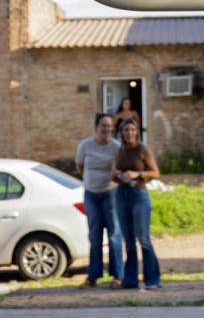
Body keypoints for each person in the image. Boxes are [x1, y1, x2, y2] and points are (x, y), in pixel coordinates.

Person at [75, 112, 124, 288]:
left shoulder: (116, 147)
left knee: (114, 235)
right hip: (91, 194)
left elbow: (120, 169)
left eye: (109, 126)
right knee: (94, 235)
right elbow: (79, 166)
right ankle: (93, 276)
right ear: (96, 127)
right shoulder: (85, 146)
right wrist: (91, 181)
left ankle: (118, 275)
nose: (107, 129)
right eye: (103, 126)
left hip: (111, 193)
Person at [112, 118, 161, 290]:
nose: (129, 133)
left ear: (137, 131)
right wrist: (118, 175)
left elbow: (155, 173)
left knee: (143, 238)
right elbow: (113, 176)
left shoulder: (142, 150)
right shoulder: (119, 151)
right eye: (126, 130)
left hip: (139, 195)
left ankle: (152, 279)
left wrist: (136, 174)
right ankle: (130, 280)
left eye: (132, 129)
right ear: (121, 133)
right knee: (129, 241)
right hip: (121, 195)